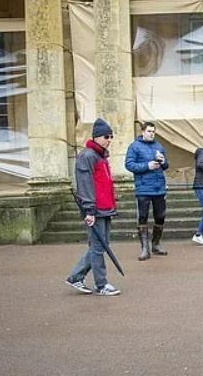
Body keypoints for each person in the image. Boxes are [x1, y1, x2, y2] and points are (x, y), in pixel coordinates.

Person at [65, 118, 121, 296]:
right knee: (98, 247)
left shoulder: (100, 156)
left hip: (104, 208)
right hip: (95, 209)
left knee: (99, 246)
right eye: (106, 136)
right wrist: (89, 210)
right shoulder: (87, 156)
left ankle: (75, 276)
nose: (109, 139)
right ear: (96, 137)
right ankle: (101, 284)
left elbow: (102, 183)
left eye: (111, 136)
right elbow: (85, 184)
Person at [125, 121, 169, 261]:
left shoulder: (159, 146)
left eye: (153, 131)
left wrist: (163, 161)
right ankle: (145, 248)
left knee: (160, 216)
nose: (151, 134)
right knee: (142, 217)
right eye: (149, 131)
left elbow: (166, 165)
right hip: (143, 188)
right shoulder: (134, 146)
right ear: (143, 131)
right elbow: (129, 164)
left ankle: (156, 244)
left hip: (159, 187)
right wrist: (147, 166)